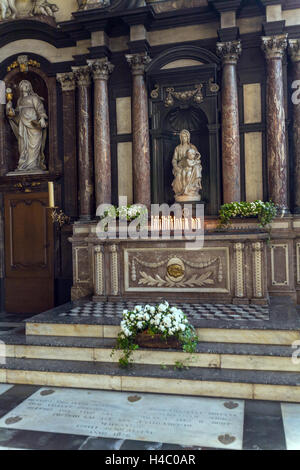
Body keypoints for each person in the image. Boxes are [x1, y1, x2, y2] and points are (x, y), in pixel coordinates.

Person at [7, 80, 48, 172]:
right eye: (22, 84)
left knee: (34, 145)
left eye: (26, 85)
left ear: (30, 87)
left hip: (34, 125)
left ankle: (34, 165)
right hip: (23, 125)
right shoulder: (19, 100)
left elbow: (40, 109)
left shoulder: (34, 98)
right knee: (23, 145)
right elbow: (17, 113)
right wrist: (10, 110)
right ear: (20, 88)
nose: (24, 86)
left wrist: (42, 118)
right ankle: (23, 165)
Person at [172, 129, 202, 201]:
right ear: (180, 138)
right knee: (179, 175)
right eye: (182, 137)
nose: (183, 138)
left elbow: (197, 156)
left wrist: (194, 161)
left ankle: (191, 189)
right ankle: (182, 191)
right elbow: (174, 160)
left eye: (185, 137)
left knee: (193, 170)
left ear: (188, 137)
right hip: (181, 166)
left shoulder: (192, 147)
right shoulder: (178, 148)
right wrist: (176, 168)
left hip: (191, 167)